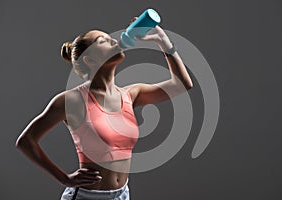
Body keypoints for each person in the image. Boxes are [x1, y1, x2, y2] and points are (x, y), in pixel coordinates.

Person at [15, 17, 193, 200]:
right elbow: (26, 141)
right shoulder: (72, 100)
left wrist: (164, 42)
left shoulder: (130, 95)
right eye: (103, 41)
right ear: (90, 60)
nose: (114, 41)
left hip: (122, 195)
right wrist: (64, 178)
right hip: (87, 196)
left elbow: (182, 84)